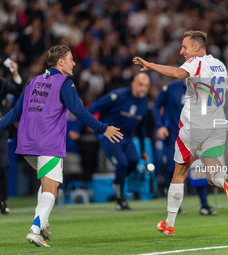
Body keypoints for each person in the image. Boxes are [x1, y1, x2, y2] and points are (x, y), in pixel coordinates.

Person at [0, 45, 123, 247]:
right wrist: (103, 128)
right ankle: (35, 230)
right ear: (60, 62)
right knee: (51, 189)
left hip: (26, 145)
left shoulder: (33, 82)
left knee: (48, 184)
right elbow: (80, 111)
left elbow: (14, 112)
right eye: (71, 59)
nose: (74, 63)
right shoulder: (65, 83)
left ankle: (44, 221)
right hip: (47, 144)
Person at [133, 30, 228, 236]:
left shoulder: (196, 62)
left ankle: (169, 223)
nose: (182, 51)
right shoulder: (219, 64)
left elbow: (176, 74)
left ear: (196, 48)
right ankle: (225, 179)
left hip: (192, 128)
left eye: (185, 47)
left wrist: (151, 65)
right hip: (217, 127)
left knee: (179, 174)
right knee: (211, 176)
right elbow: (227, 94)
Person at [69, 73, 150, 210]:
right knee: (122, 163)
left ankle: (117, 182)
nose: (143, 88)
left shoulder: (144, 104)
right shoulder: (118, 96)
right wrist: (77, 127)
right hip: (110, 134)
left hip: (127, 137)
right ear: (133, 84)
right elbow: (94, 106)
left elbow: (142, 128)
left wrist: (142, 149)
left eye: (146, 86)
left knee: (134, 162)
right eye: (141, 84)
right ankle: (120, 199)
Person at [153, 79, 217, 216]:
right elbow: (156, 106)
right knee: (172, 168)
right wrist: (160, 126)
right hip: (174, 136)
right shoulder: (170, 88)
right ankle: (174, 205)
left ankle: (204, 204)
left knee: (198, 169)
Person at [0, 60, 23, 215]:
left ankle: (2, 200)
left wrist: (15, 73)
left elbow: (18, 90)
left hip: (1, 130)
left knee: (2, 165)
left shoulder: (1, 83)